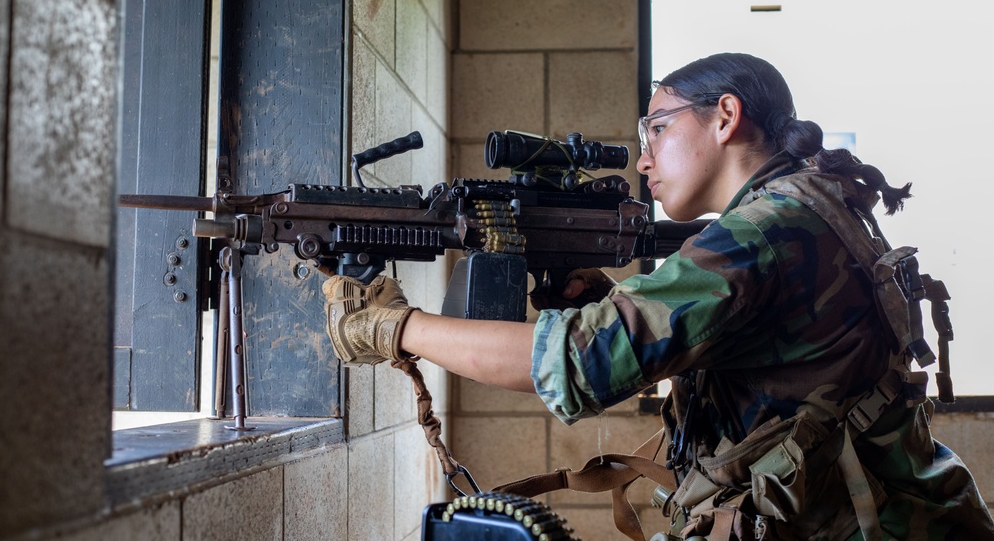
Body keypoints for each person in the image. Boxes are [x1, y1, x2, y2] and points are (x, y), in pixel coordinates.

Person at [322, 53, 994, 540]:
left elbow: (578, 365)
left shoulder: (762, 230)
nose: (643, 159)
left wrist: (394, 325)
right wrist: (611, 298)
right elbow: (766, 353)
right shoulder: (809, 204)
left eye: (658, 129)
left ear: (725, 116)